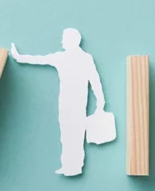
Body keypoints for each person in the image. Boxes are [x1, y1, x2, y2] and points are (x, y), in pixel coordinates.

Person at [11, 28, 105, 176]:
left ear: (73, 41)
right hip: (65, 104)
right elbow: (40, 59)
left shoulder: (85, 58)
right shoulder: (61, 57)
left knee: (76, 134)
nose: (61, 42)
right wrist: (19, 57)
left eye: (64, 39)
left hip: (78, 104)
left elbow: (95, 80)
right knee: (66, 134)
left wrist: (101, 101)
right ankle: (68, 165)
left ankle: (75, 167)